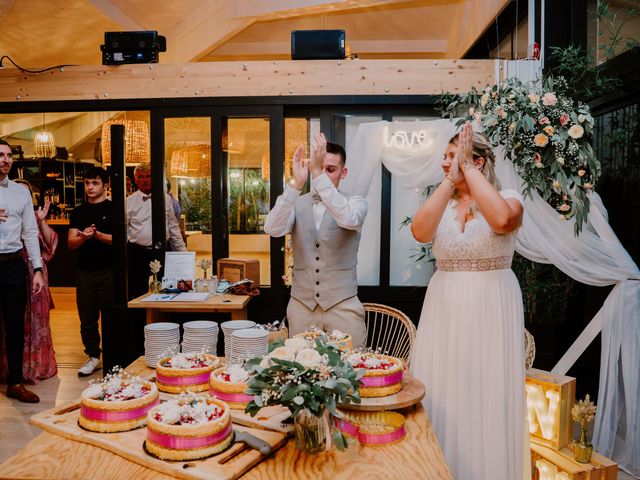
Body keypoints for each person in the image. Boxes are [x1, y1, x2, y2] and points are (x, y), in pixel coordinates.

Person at [410, 123, 527, 480]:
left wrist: (469, 169)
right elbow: (420, 231)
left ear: (476, 160)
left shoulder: (507, 196)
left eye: (452, 156)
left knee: (485, 398)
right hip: (444, 312)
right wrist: (450, 181)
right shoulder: (442, 201)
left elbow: (504, 220)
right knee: (443, 395)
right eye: (444, 157)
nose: (445, 163)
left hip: (490, 311)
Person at [264, 133, 368, 347]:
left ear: (343, 172)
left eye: (330, 170)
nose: (323, 175)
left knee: (351, 372)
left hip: (344, 307)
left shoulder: (355, 203)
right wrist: (295, 186)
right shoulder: (295, 201)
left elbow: (348, 218)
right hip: (302, 307)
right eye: (320, 168)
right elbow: (273, 229)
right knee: (301, 372)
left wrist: (317, 174)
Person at [0, 139, 44, 403]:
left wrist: (37, 268)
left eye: (8, 155)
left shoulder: (20, 192)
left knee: (15, 326)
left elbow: (30, 232)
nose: (5, 160)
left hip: (14, 264)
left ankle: (15, 382)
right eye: (0, 155)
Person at [68, 167, 113, 377]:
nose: (90, 187)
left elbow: (119, 240)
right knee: (87, 318)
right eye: (87, 183)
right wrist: (84, 237)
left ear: (105, 185)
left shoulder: (114, 208)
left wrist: (98, 235)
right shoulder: (79, 212)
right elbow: (70, 242)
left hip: (109, 271)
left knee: (111, 316)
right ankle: (94, 356)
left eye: (95, 183)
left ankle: (114, 356)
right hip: (85, 272)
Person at [13, 179, 58, 383]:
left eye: (25, 192)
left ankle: (38, 365)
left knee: (39, 321)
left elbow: (50, 245)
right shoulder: (8, 217)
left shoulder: (35, 218)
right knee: (14, 320)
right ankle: (15, 369)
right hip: (13, 271)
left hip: (36, 273)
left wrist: (41, 220)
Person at [126, 163, 187, 301]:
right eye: (140, 177)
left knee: (166, 289)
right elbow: (124, 229)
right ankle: (139, 320)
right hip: (137, 253)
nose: (144, 180)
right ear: (135, 179)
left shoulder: (165, 199)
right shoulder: (129, 201)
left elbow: (173, 226)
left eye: (148, 176)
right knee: (137, 291)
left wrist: (184, 252)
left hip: (160, 250)